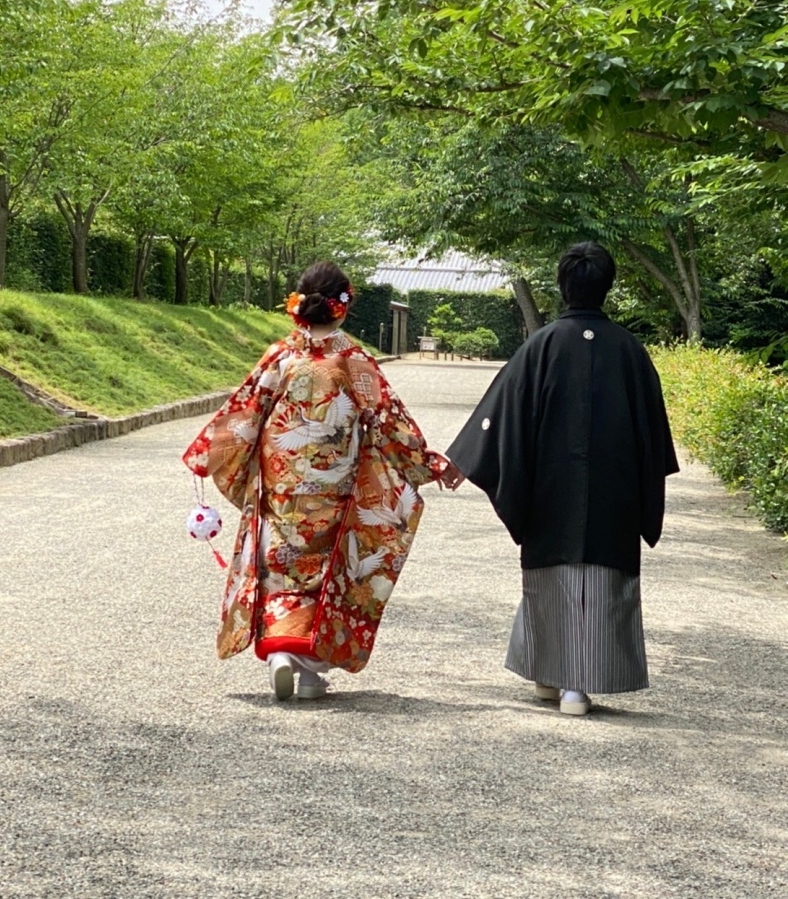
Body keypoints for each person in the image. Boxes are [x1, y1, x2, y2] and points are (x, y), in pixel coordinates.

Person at [183, 261, 450, 701]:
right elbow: (386, 421)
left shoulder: (282, 356)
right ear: (342, 308)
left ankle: (279, 655)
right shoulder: (353, 361)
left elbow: (245, 413)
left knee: (279, 564)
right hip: (334, 486)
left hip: (281, 484)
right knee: (326, 569)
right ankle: (309, 672)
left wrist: (204, 454)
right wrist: (427, 463)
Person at [444, 242, 679, 716]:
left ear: (562, 285)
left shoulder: (542, 345)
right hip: (614, 492)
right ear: (606, 287)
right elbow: (653, 433)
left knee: (551, 576)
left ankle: (563, 681)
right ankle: (564, 681)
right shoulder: (630, 351)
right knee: (600, 581)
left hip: (550, 489)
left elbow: (500, 416)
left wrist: (462, 459)